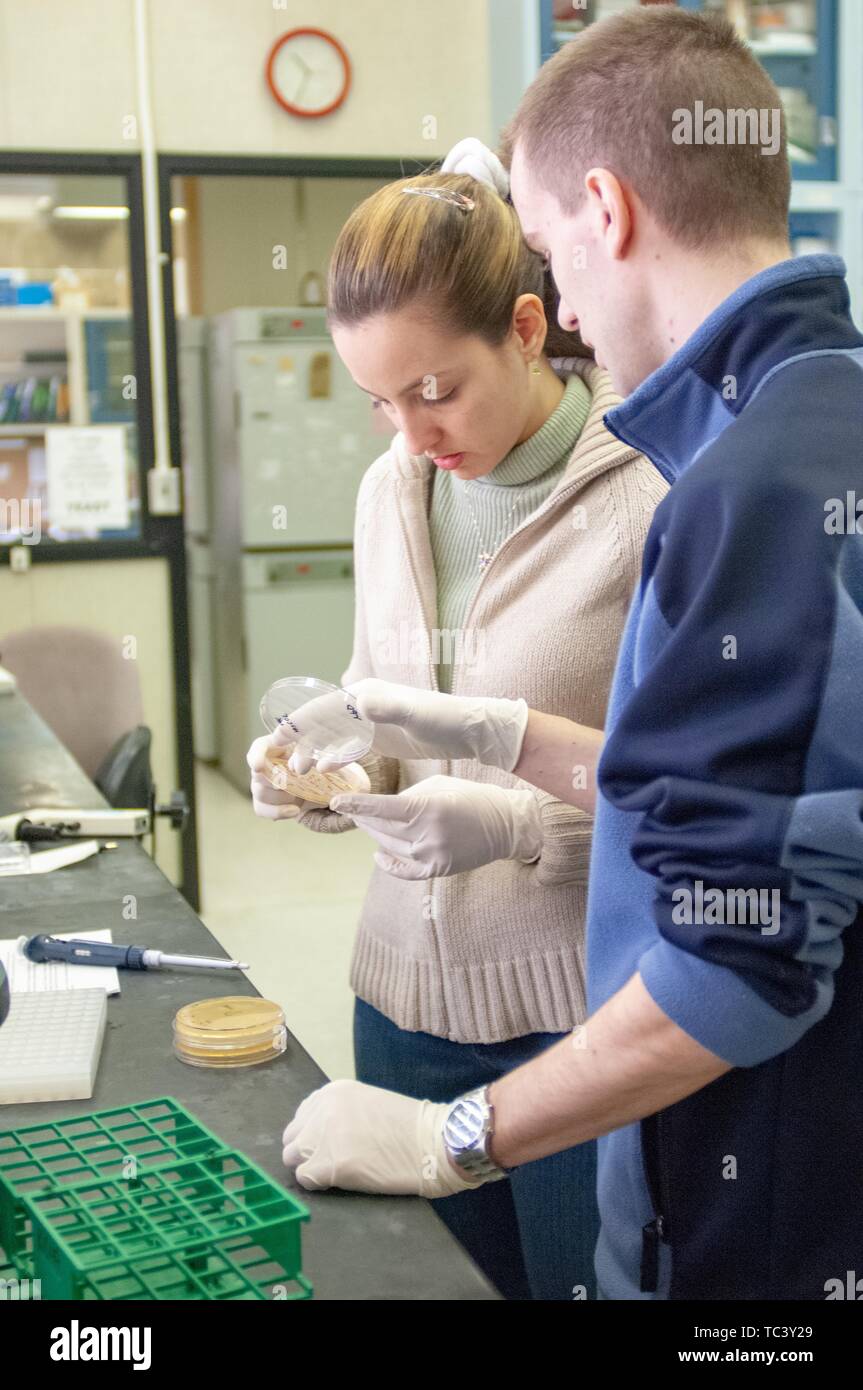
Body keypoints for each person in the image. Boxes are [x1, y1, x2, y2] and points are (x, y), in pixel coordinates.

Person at [280, 7, 863, 1301]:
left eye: (548, 255)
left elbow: (735, 968)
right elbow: (754, 804)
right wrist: (472, 732)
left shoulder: (738, 485)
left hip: (752, 1201)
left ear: (601, 212)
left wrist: (453, 1136)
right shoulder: (813, 417)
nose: (570, 317)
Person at [247, 143, 666, 1300]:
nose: (412, 431)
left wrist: (516, 825)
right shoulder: (393, 486)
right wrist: (320, 760)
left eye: (435, 389)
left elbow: (685, 796)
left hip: (572, 1019)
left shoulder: (651, 492)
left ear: (527, 328)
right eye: (381, 400)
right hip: (398, 1000)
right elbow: (382, 693)